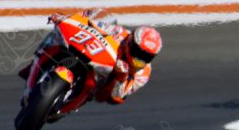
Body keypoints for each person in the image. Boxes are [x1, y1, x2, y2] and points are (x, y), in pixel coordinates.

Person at [25, 8, 162, 106]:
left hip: (100, 84)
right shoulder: (120, 33)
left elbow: (116, 97)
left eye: (146, 56)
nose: (140, 58)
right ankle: (37, 63)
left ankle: (70, 99)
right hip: (91, 54)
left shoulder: (143, 74)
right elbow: (90, 24)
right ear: (131, 41)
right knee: (58, 37)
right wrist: (67, 19)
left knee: (102, 96)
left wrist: (120, 77)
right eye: (138, 52)